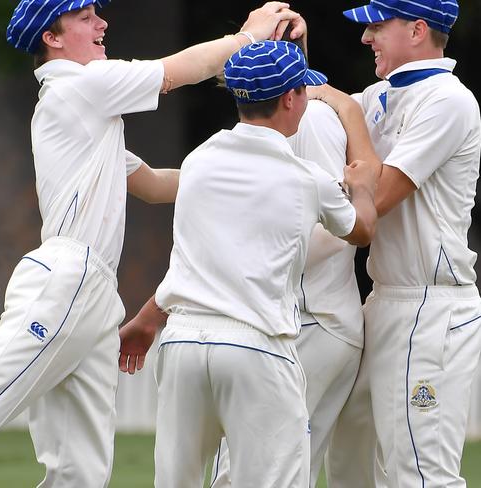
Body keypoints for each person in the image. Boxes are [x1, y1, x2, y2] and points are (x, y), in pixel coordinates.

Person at [0, 2, 305, 487]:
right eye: (85, 18)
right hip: (67, 278)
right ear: (53, 39)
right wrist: (248, 37)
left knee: (80, 470)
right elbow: (174, 72)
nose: (102, 25)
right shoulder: (76, 87)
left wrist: (250, 169)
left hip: (96, 294)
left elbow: (160, 185)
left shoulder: (88, 118)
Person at [119, 40, 378, 487]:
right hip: (256, 347)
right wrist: (364, 183)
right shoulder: (306, 178)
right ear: (291, 99)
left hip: (182, 344)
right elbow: (362, 230)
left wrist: (147, 319)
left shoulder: (200, 162)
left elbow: (190, 258)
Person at [311, 0, 481, 486]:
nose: (366, 39)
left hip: (431, 306)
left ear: (418, 30)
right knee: (349, 464)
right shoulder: (381, 95)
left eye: (378, 27)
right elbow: (305, 104)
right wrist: (289, 45)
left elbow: (378, 196)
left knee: (420, 472)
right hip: (383, 301)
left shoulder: (447, 99)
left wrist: (344, 105)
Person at [208, 95, 366, 488]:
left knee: (245, 470)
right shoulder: (295, 116)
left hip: (311, 320)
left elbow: (337, 230)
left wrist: (247, 267)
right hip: (312, 321)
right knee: (288, 470)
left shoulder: (310, 117)